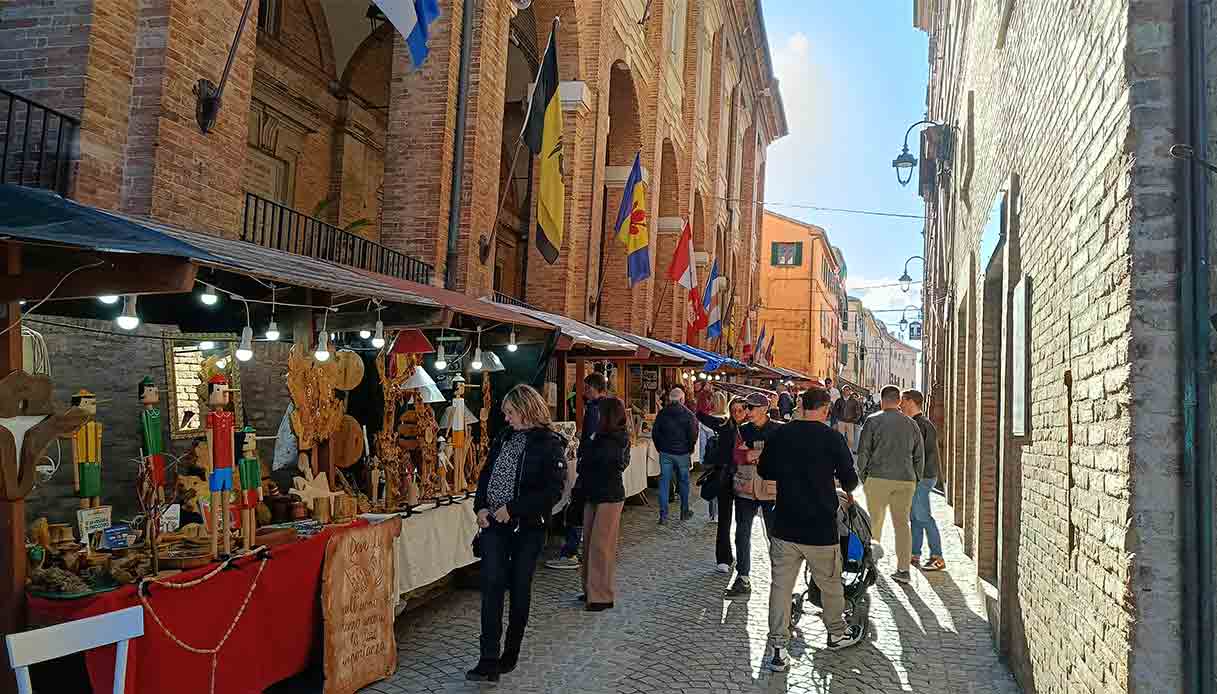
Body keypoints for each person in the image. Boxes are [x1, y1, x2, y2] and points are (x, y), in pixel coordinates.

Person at [760, 388, 864, 671]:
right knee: (830, 584)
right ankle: (836, 633)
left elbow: (765, 471)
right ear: (826, 409)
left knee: (781, 587)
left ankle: (779, 649)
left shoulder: (780, 434)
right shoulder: (832, 438)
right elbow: (850, 481)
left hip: (785, 522)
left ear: (801, 406)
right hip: (820, 525)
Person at [469, 385, 566, 682]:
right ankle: (488, 659)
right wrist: (481, 507)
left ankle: (509, 654)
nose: (507, 418)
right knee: (492, 586)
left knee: (519, 588)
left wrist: (514, 508)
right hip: (495, 526)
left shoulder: (550, 444)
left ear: (526, 410)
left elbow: (553, 491)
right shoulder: (504, 437)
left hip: (527, 528)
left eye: (510, 413)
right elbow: (487, 474)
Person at [856, 384, 924, 584]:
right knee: (902, 525)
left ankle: (870, 565)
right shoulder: (911, 424)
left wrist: (864, 477)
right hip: (905, 479)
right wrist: (916, 478)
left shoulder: (873, 420)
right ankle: (903, 569)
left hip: (878, 477)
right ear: (899, 401)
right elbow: (919, 455)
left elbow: (863, 452)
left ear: (882, 400)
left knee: (874, 523)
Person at [547, 373, 606, 570]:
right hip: (593, 469)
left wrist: (583, 457)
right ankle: (577, 549)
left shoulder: (595, 409)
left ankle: (571, 551)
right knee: (581, 509)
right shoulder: (599, 408)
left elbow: (591, 440)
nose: (583, 391)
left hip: (590, 469)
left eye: (586, 387)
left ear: (593, 388)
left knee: (577, 509)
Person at [725, 392, 781, 597]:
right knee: (742, 533)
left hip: (772, 489)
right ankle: (743, 577)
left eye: (751, 407)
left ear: (764, 409)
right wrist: (759, 454)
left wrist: (756, 453)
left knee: (775, 535)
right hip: (746, 488)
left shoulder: (779, 429)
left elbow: (782, 456)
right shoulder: (742, 430)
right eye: (746, 407)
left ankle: (780, 576)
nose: (746, 411)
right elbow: (738, 455)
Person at [577, 397, 631, 611]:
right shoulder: (599, 436)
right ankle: (590, 588)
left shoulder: (617, 439)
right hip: (594, 492)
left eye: (600, 412)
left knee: (601, 545)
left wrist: (589, 456)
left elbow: (611, 463)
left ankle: (601, 595)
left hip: (609, 494)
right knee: (589, 542)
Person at [698, 394, 747, 572]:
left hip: (745, 480)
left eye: (741, 410)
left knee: (743, 523)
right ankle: (723, 558)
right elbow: (701, 416)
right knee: (724, 520)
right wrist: (704, 394)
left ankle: (743, 561)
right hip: (725, 478)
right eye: (734, 410)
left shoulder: (752, 428)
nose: (737, 413)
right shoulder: (724, 425)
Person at [901, 389, 945, 571]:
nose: (900, 405)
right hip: (918, 477)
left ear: (911, 402)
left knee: (923, 516)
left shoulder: (920, 425)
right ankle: (914, 554)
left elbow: (920, 455)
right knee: (915, 517)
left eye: (903, 401)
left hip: (922, 477)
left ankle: (937, 557)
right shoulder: (916, 423)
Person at [653, 387, 698, 524]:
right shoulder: (688, 414)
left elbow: (655, 433)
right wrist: (690, 449)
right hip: (682, 453)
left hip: (665, 452)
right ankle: (684, 511)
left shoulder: (662, 413)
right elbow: (693, 434)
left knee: (664, 483)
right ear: (681, 399)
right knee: (683, 482)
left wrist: (660, 448)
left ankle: (663, 516)